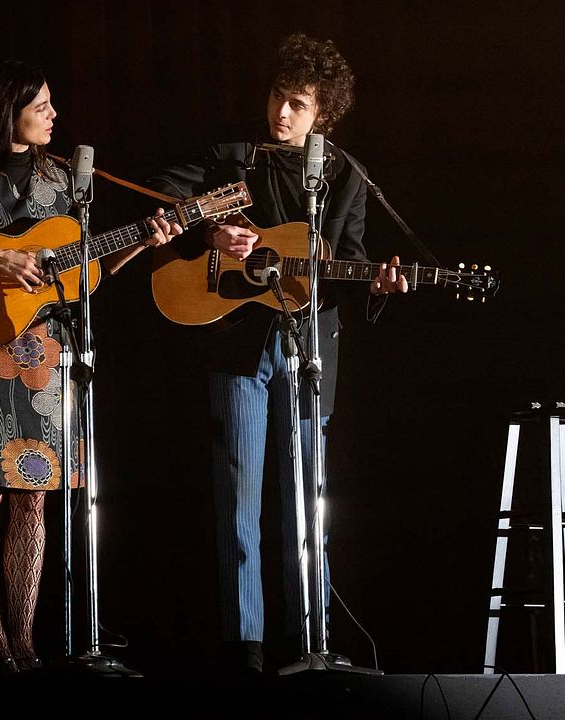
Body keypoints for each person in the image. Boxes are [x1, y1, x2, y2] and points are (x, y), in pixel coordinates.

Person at [142, 33, 408, 676]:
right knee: (239, 499)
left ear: (324, 114)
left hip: (308, 346)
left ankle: (309, 639)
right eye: (276, 96)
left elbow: (347, 261)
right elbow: (159, 197)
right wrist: (212, 232)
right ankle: (246, 647)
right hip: (238, 341)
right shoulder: (234, 155)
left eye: (298, 104)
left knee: (307, 502)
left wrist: (376, 284)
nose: (281, 113)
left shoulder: (346, 175)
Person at [0, 59, 182, 679]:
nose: (54, 115)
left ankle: (25, 643)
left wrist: (142, 241)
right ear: (10, 112)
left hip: (47, 355)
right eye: (41, 107)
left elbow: (87, 273)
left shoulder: (63, 182)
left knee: (33, 497)